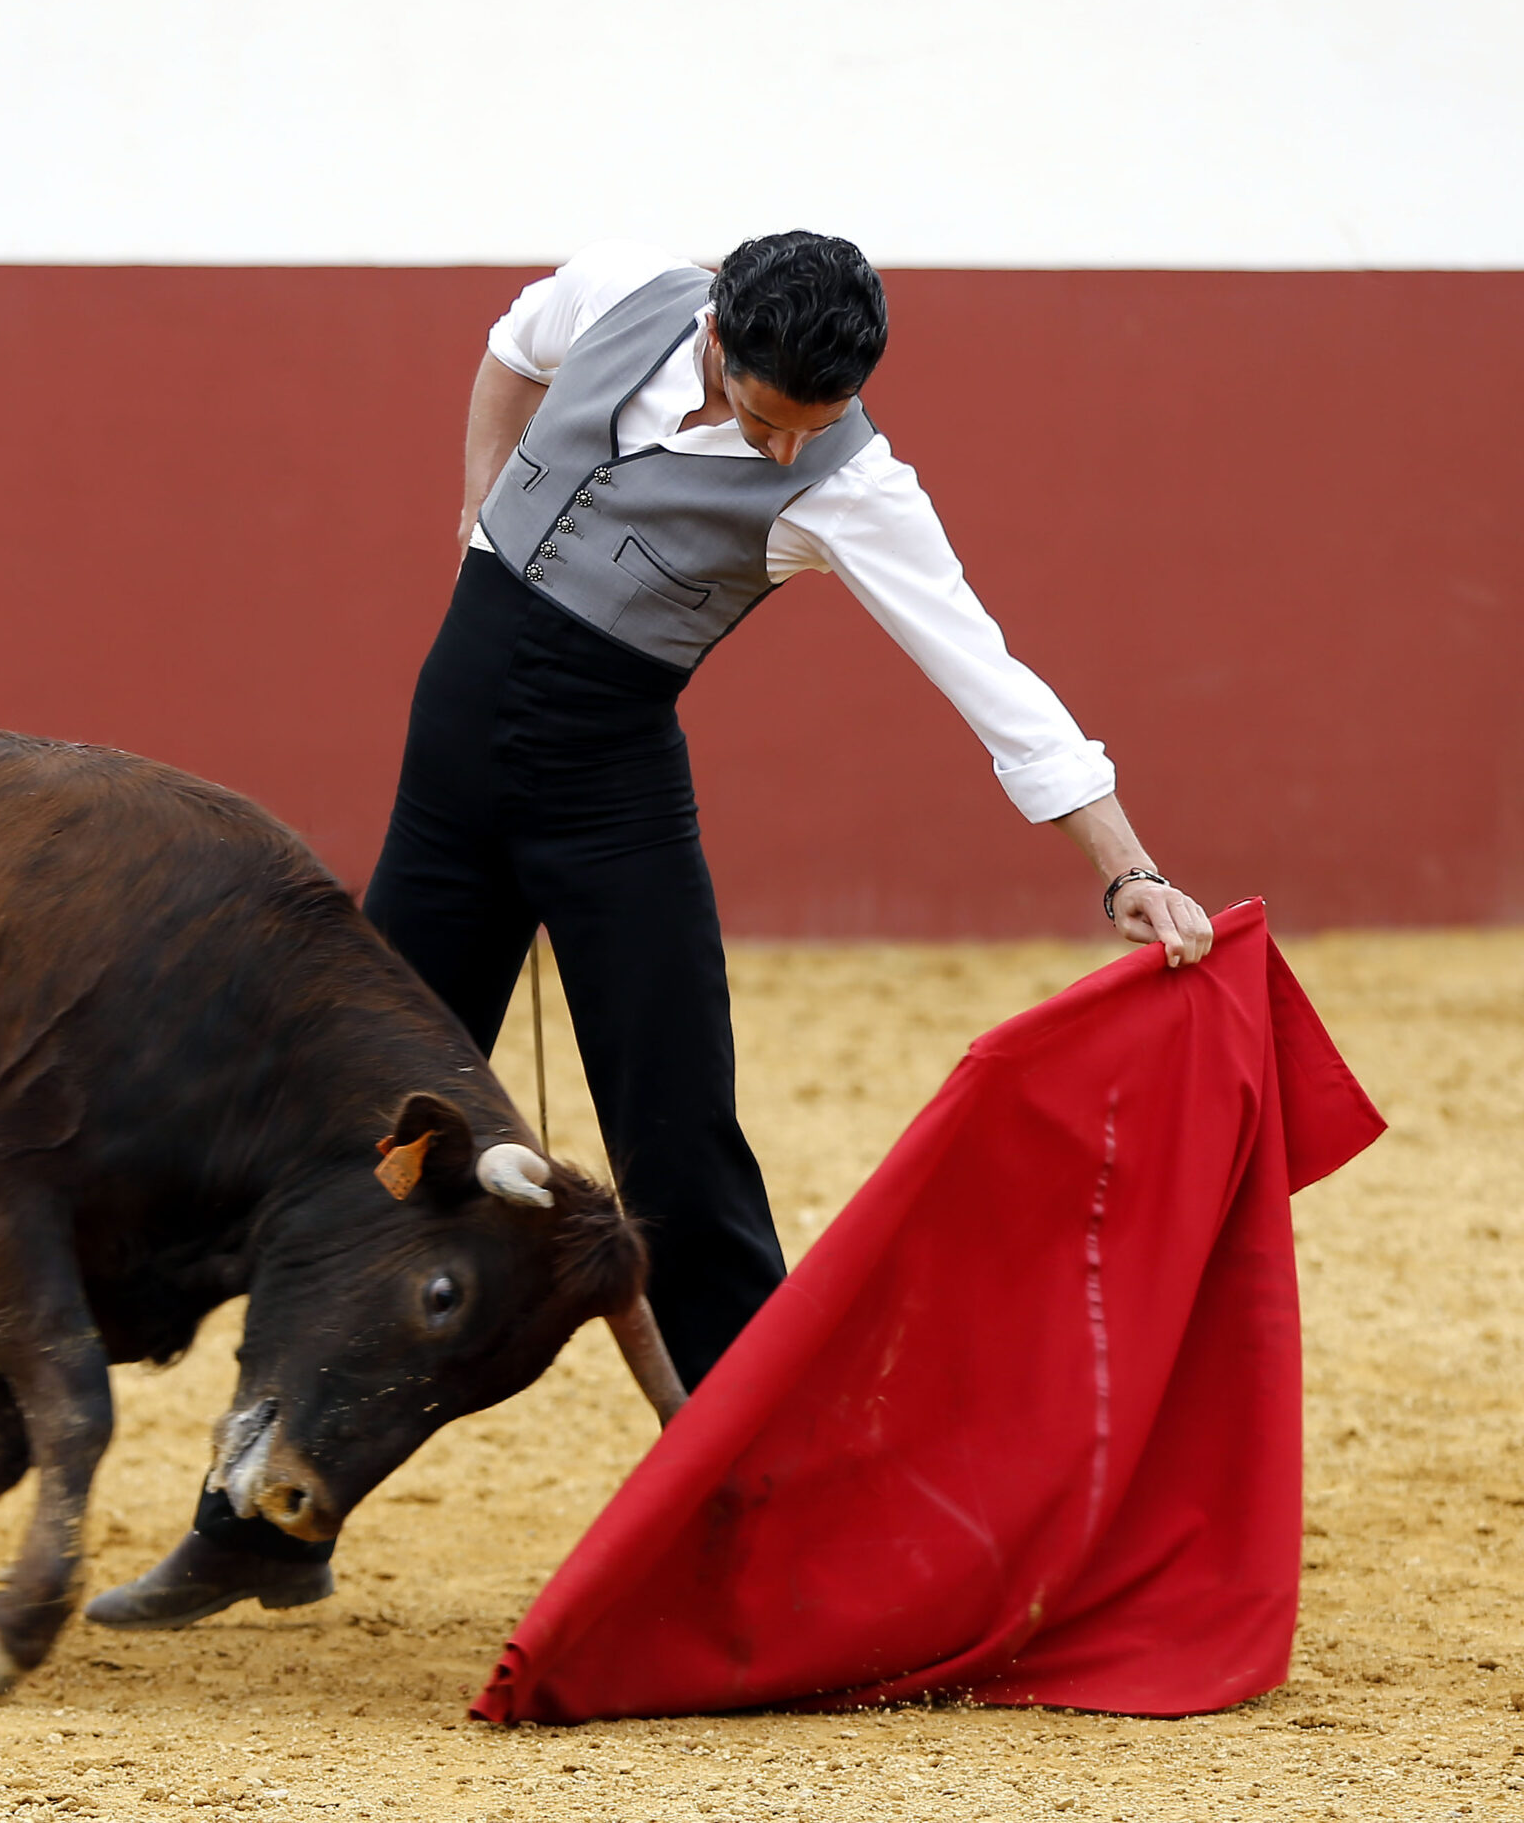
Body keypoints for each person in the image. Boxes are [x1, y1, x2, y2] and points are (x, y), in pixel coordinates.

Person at [84, 232, 1217, 1631]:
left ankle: (787, 1542)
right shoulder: (631, 290)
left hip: (609, 812)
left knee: (682, 1161)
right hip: (446, 797)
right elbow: (513, 342)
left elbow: (989, 674)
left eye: (813, 423)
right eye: (764, 411)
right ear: (720, 337)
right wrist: (476, 509)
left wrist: (1126, 870)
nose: (788, 441)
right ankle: (261, 1516)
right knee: (356, 1155)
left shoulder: (852, 484)